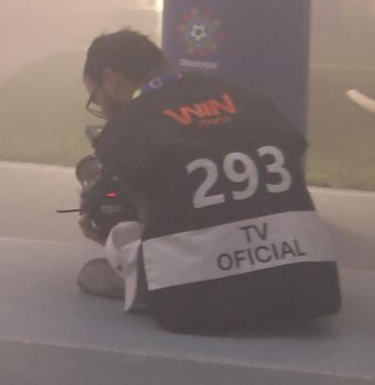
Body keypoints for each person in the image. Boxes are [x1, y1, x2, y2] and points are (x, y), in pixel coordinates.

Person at [71, 28, 339, 332]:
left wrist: (103, 219)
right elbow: (293, 148)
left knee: (116, 234)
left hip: (195, 300)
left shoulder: (126, 126)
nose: (102, 107)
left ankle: (136, 274)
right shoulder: (249, 96)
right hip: (307, 283)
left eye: (96, 97)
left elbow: (126, 203)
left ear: (110, 79)